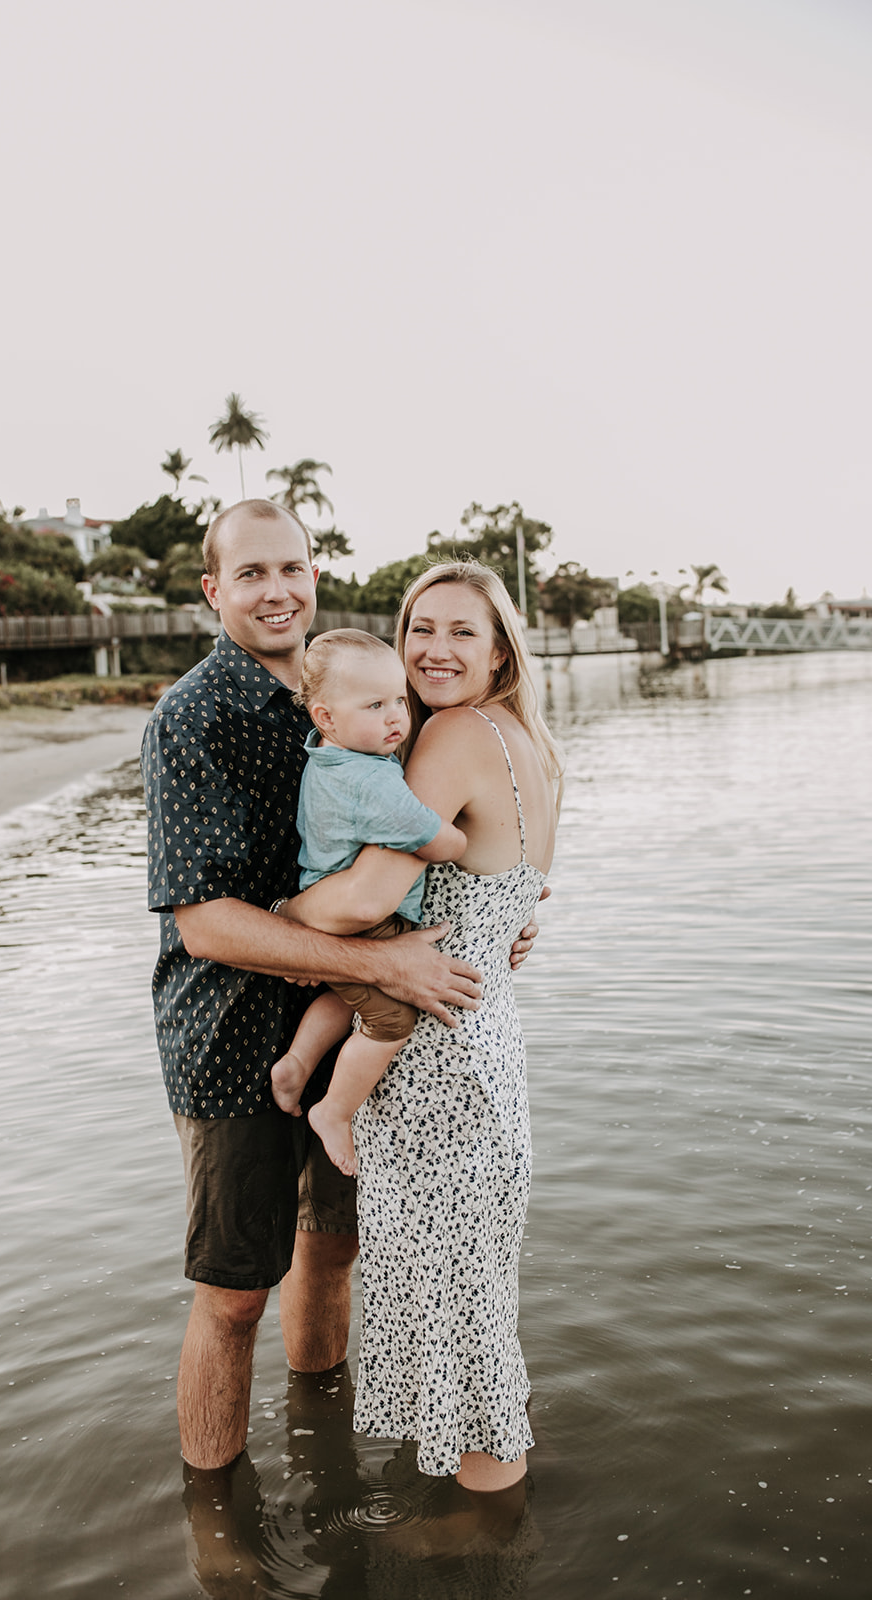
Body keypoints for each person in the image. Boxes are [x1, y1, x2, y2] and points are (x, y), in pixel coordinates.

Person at [140, 501, 536, 1472]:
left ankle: (321, 1456)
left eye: (291, 568)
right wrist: (379, 963)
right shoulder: (192, 718)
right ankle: (218, 1529)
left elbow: (438, 835)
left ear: (313, 574)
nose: (275, 590)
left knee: (334, 1251)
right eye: (249, 574)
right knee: (234, 1292)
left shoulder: (359, 687)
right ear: (213, 591)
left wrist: (500, 910)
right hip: (237, 1033)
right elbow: (202, 922)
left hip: (357, 1038)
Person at [277, 559, 563, 1494]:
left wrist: (276, 919)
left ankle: (476, 1539)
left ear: (499, 649)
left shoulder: (445, 736)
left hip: (435, 1054)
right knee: (473, 1300)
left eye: (461, 632)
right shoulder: (528, 740)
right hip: (488, 1049)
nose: (436, 650)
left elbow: (364, 901)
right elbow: (514, 896)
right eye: (420, 630)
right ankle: (478, 1517)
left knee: (451, 1302)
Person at [271, 628, 468, 1176]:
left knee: (348, 996)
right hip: (361, 927)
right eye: (375, 705)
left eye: (400, 700)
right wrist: (460, 839)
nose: (395, 718)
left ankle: (296, 1065)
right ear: (326, 718)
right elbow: (437, 837)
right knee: (391, 1019)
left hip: (323, 901)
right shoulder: (368, 782)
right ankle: (333, 1111)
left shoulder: (330, 759)